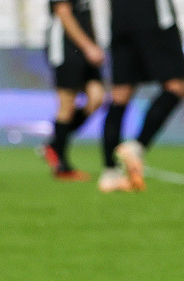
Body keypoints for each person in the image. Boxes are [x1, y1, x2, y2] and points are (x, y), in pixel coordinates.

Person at [98, 0, 184, 193]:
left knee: (120, 94)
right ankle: (137, 146)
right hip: (153, 15)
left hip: (121, 18)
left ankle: (110, 172)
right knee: (176, 87)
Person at [41, 0, 105, 181]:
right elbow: (64, 13)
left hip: (84, 48)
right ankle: (62, 166)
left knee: (97, 97)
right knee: (66, 105)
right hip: (65, 48)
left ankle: (55, 144)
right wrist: (89, 47)